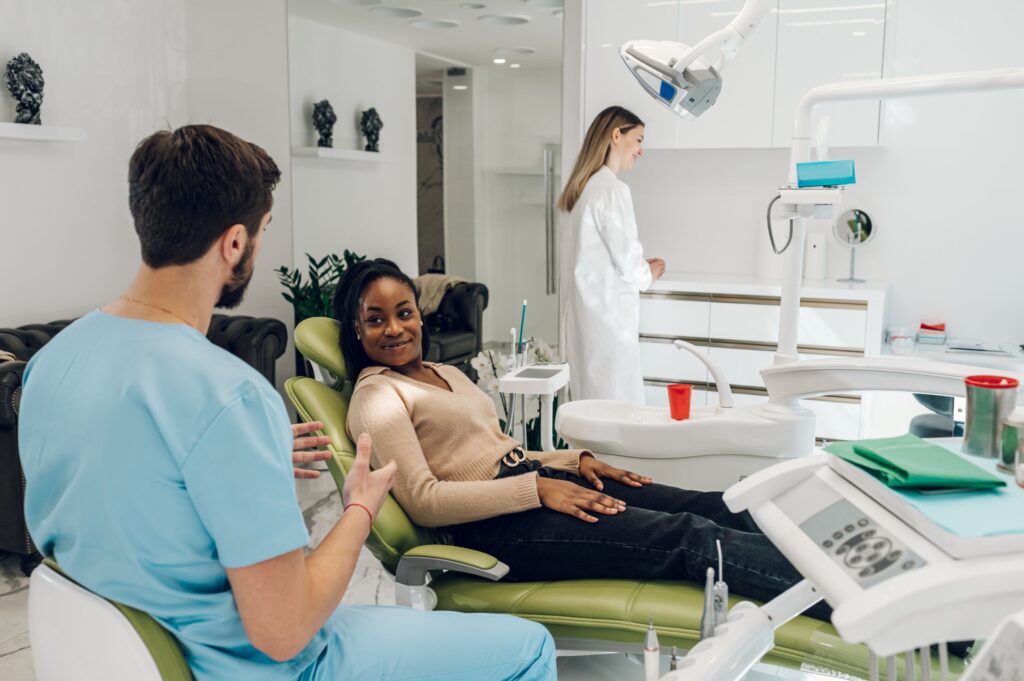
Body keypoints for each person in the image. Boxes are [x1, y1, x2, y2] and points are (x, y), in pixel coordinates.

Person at [18, 125, 556, 681]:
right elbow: (285, 630)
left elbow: (120, 486)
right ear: (234, 243)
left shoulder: (53, 362)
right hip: (254, 668)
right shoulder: (228, 394)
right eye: (263, 230)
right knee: (530, 646)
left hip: (123, 658)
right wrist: (359, 509)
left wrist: (237, 458)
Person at [337, 259, 826, 619]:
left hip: (535, 485)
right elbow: (424, 501)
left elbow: (497, 450)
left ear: (420, 315)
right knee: (685, 536)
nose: (394, 329)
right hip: (495, 527)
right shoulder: (377, 396)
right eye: (376, 319)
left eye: (404, 312)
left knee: (711, 504)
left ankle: (838, 552)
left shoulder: (443, 371)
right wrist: (536, 489)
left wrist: (573, 462)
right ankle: (834, 596)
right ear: (356, 330)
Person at [557, 105, 665, 405]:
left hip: (586, 322)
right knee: (618, 411)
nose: (641, 150)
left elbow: (597, 256)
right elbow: (630, 264)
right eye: (639, 139)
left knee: (590, 409)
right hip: (608, 325)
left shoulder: (583, 190)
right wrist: (650, 272)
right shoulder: (611, 190)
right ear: (616, 135)